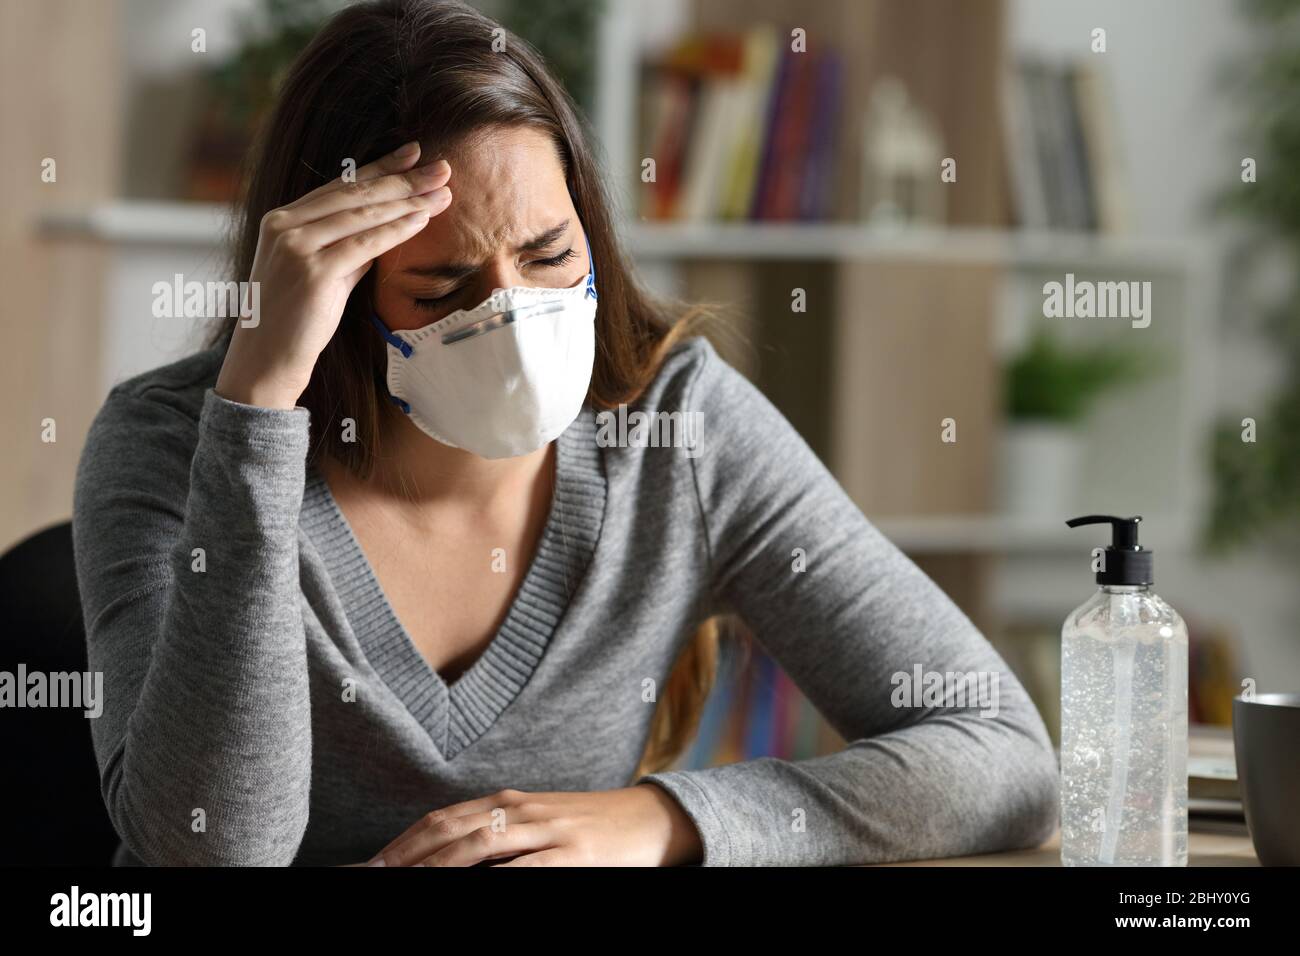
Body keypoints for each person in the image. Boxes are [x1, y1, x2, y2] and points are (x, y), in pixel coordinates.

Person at [72, 0, 1058, 866]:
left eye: (549, 253)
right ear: (331, 299)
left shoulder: (677, 426)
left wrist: (662, 820)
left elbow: (1001, 751)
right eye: (442, 288)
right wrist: (258, 409)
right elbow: (208, 851)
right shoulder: (171, 444)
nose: (511, 317)